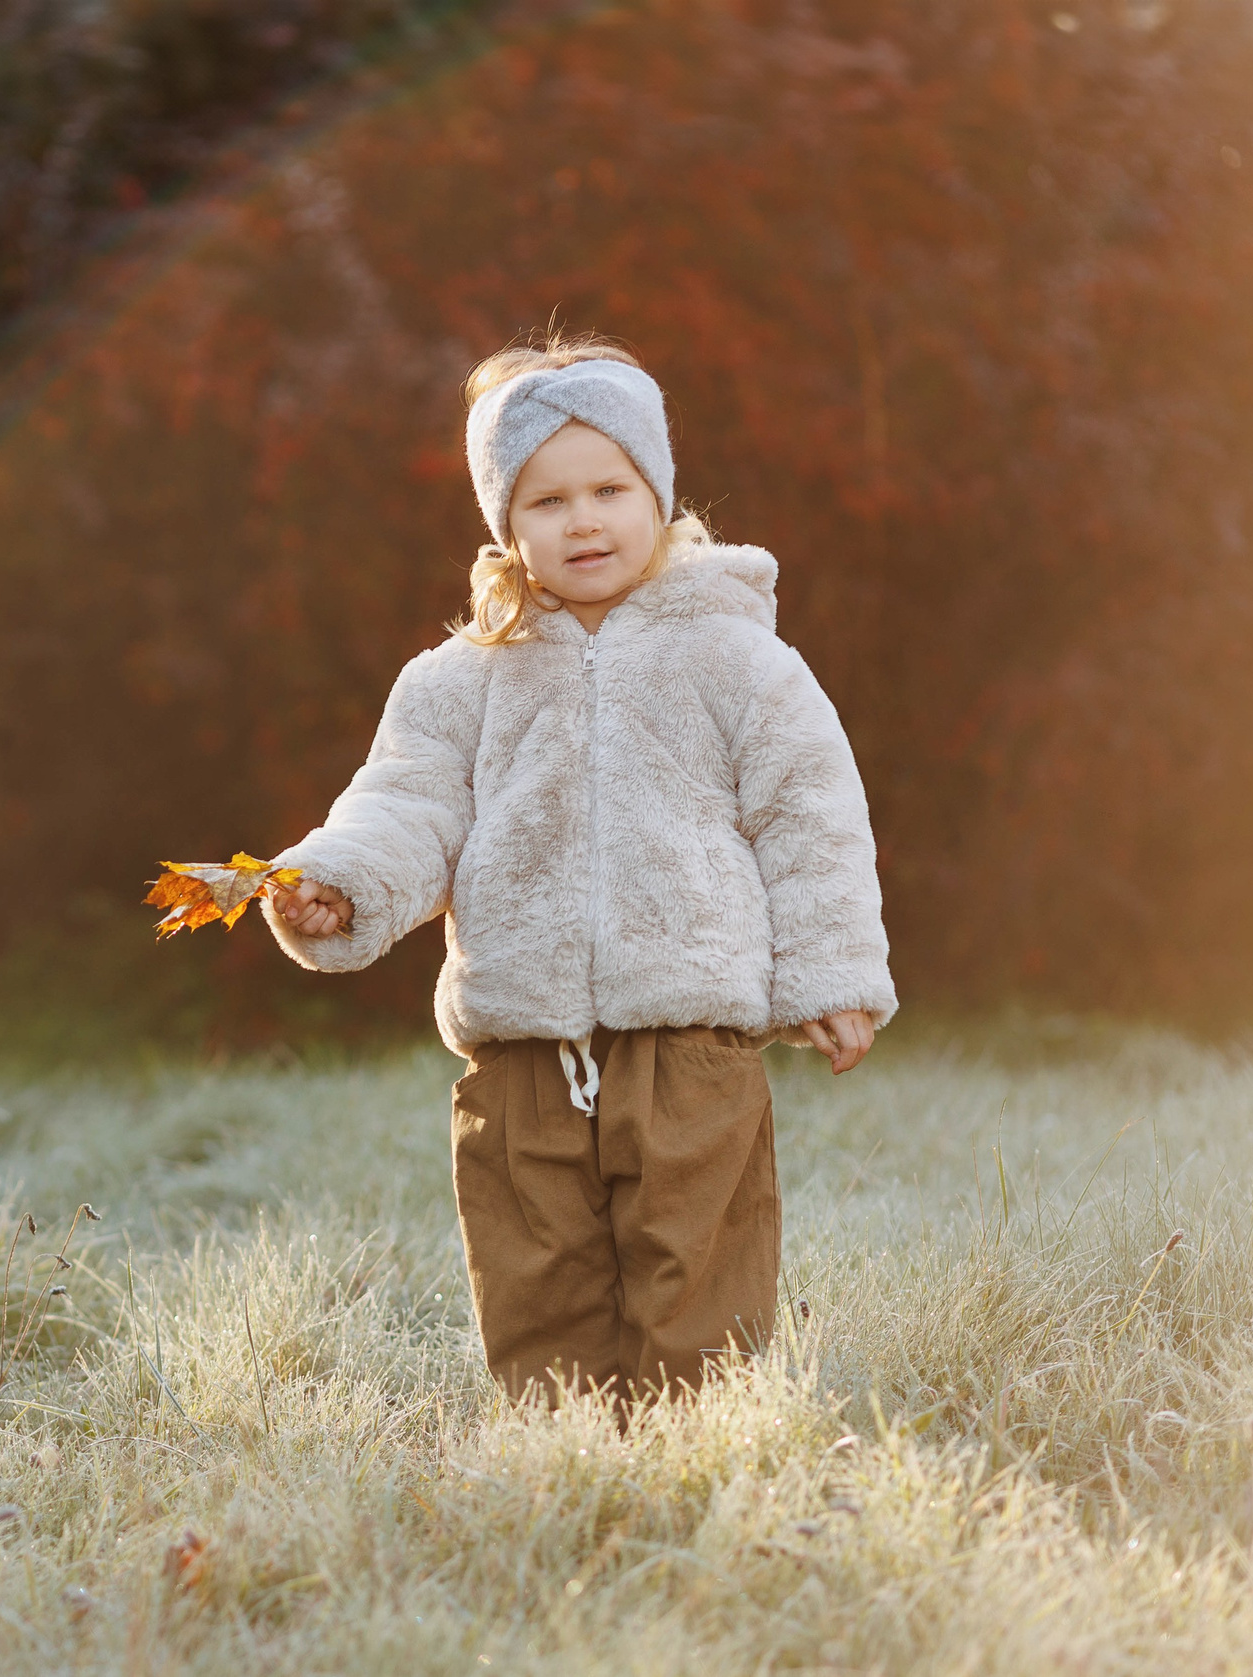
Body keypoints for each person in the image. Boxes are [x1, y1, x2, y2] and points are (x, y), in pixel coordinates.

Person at [264, 334, 895, 1408]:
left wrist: (830, 974)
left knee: (696, 1276)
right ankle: (565, 1468)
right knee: (534, 1282)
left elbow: (809, 816)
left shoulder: (736, 660)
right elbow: (405, 804)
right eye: (547, 501)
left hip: (691, 1042)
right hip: (521, 1050)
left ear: (657, 493)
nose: (584, 520)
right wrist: (340, 882)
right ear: (505, 524)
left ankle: (697, 1463)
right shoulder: (460, 680)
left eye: (609, 487)